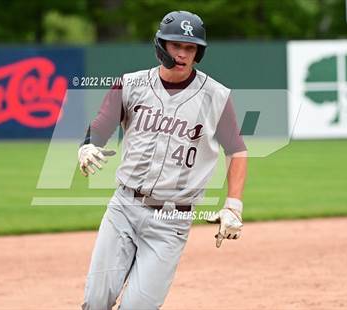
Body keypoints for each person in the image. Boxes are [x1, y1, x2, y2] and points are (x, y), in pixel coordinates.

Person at [78, 10, 247, 310]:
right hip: (124, 209)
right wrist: (88, 146)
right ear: (161, 47)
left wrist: (233, 206)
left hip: (172, 220)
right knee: (95, 301)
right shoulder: (131, 84)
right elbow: (102, 125)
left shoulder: (216, 96)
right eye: (176, 45)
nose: (182, 54)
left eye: (190, 48)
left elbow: (237, 151)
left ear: (199, 53)